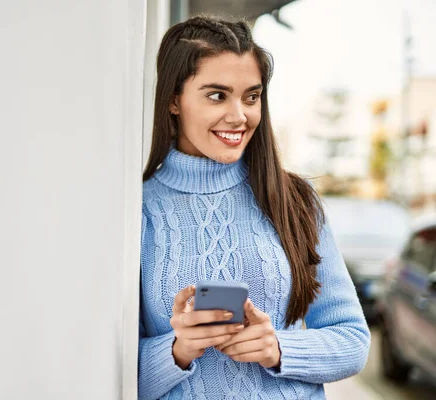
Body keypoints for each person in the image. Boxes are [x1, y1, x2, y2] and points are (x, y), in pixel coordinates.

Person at [138, 15, 370, 399]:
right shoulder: (139, 210)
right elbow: (114, 376)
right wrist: (178, 350)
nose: (239, 116)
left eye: (251, 96)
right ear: (174, 99)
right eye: (217, 95)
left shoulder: (294, 200)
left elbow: (352, 340)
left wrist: (278, 348)